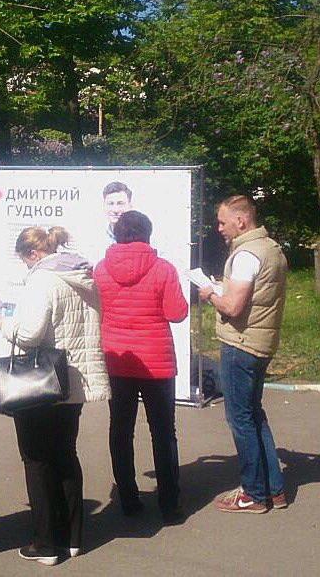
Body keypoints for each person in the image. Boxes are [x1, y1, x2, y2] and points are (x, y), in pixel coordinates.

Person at [0, 226, 109, 566]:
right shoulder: (82, 276)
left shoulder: (43, 280)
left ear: (33, 254)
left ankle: (45, 544)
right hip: (73, 382)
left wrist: (4, 322)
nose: (25, 266)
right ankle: (72, 538)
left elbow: (30, 334)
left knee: (36, 460)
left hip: (42, 383)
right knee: (65, 455)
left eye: (24, 260)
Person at [93, 210, 188, 523]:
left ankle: (128, 500)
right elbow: (176, 313)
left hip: (117, 359)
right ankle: (170, 503)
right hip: (155, 362)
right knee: (163, 432)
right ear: (148, 234)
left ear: (117, 234)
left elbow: (96, 311)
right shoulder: (163, 269)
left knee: (120, 430)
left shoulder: (101, 270)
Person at [198, 195, 288, 513]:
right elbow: (255, 296)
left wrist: (209, 294)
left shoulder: (246, 254)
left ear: (241, 220)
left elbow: (234, 307)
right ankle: (274, 490)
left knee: (240, 419)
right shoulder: (270, 248)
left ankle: (253, 494)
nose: (219, 228)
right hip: (261, 342)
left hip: (241, 345)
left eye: (222, 222)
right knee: (253, 415)